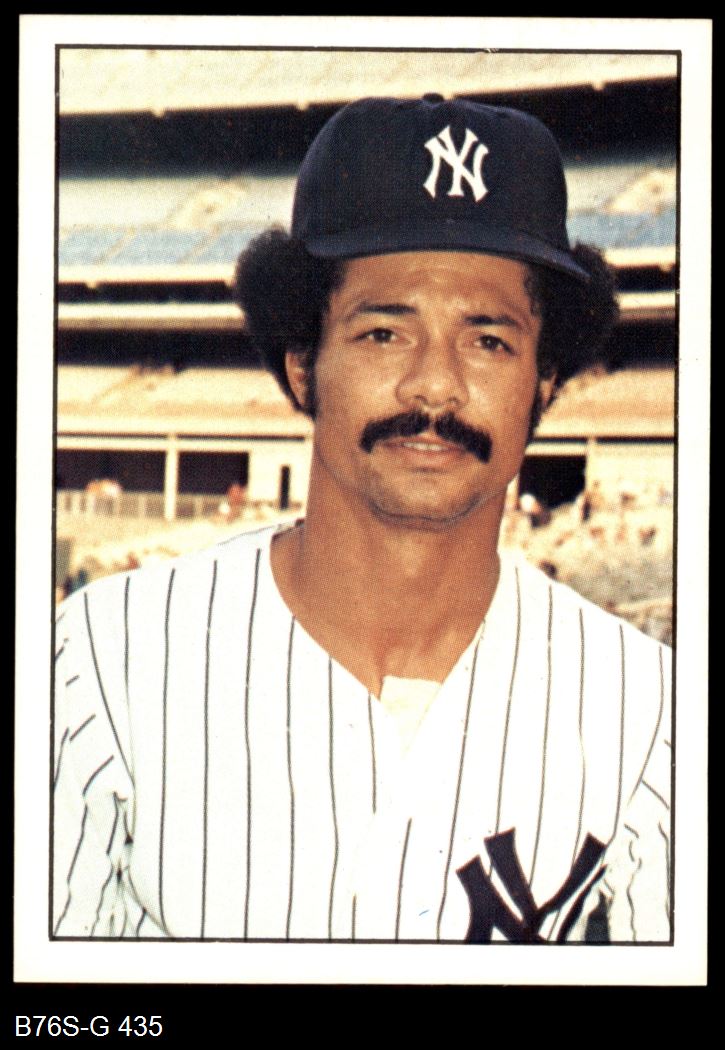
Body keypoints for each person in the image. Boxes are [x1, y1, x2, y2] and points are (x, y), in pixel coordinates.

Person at [53, 94, 671, 944]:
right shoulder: (101, 659)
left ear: (544, 382)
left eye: (488, 340)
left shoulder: (652, 713)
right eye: (383, 333)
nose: (434, 385)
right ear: (302, 365)